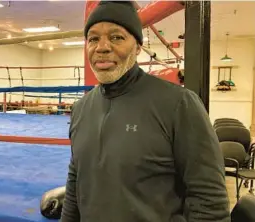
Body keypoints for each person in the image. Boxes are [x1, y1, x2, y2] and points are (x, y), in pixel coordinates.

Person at [61, 1, 231, 221]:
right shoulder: (81, 108)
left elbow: (209, 201)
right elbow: (76, 181)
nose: (101, 47)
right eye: (93, 38)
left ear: (138, 46)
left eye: (116, 37)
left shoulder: (179, 104)